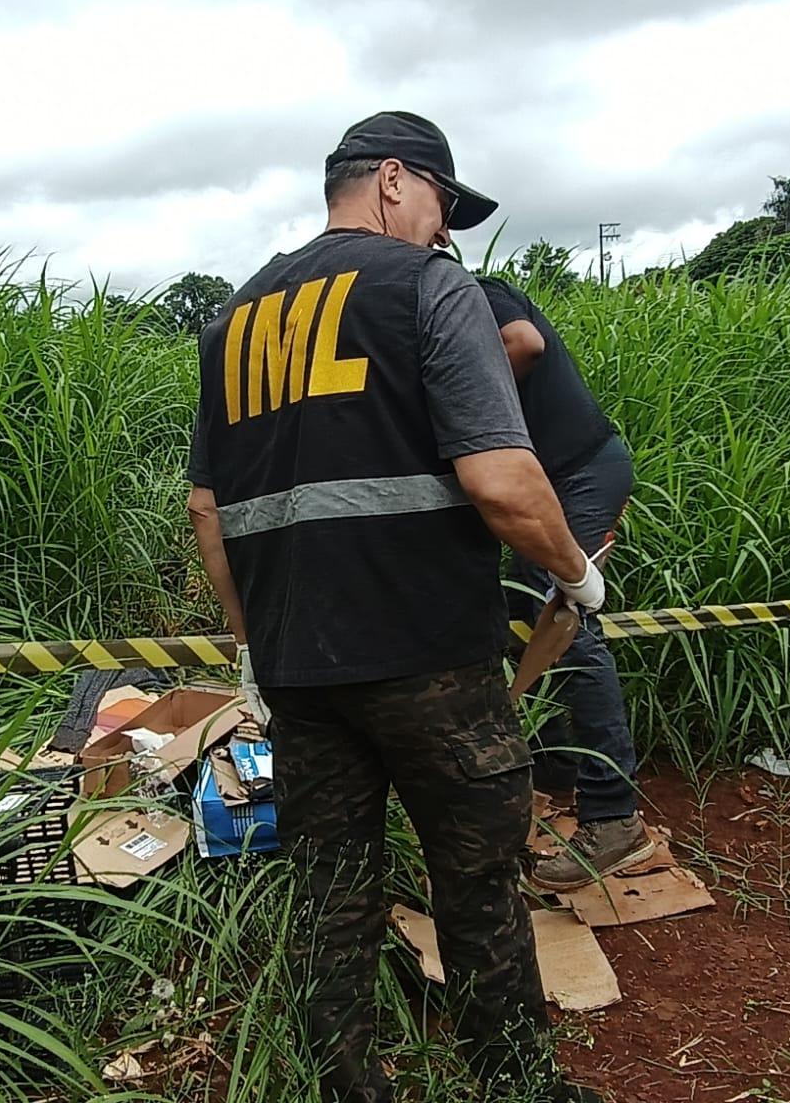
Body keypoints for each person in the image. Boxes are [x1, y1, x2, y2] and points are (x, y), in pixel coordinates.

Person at [186, 111, 606, 1103]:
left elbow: (209, 511)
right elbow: (503, 480)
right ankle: (512, 1087)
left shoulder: (233, 321)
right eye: (440, 204)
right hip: (430, 660)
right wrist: (579, 576)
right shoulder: (425, 288)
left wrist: (255, 648)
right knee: (479, 880)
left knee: (329, 895)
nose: (447, 230)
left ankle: (347, 1086)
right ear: (389, 182)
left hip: (301, 671)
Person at [476, 275, 650, 889]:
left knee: (568, 622)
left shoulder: (467, 288)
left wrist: (453, 399)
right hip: (542, 477)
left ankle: (614, 815)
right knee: (525, 614)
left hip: (577, 472)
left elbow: (522, 342)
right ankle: (554, 771)